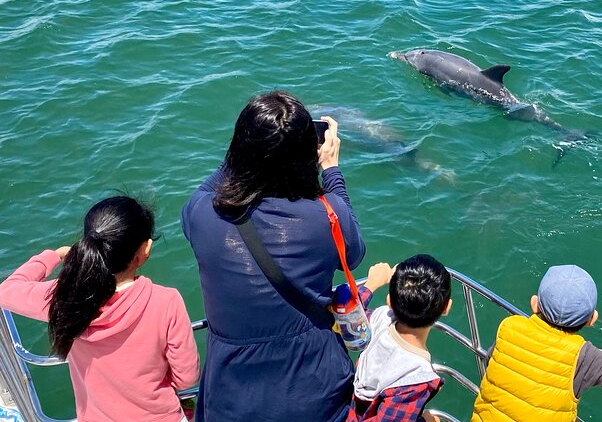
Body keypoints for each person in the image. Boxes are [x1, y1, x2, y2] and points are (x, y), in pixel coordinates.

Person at [181, 90, 366, 421]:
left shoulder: (200, 215)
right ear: (306, 156)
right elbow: (353, 253)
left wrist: (248, 149)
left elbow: (214, 185)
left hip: (230, 396)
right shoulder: (326, 217)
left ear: (238, 148)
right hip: (314, 390)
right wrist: (331, 169)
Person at [0, 196, 199, 422]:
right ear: (145, 250)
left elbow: (6, 291)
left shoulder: (66, 297)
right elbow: (187, 377)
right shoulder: (166, 301)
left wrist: (54, 255)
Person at [471, 264, 602, 422]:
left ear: (535, 304)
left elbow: (490, 360)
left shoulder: (509, 326)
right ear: (591, 320)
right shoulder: (585, 356)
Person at [347, 254, 452, 422]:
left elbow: (348, 318)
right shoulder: (415, 378)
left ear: (389, 301)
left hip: (351, 409)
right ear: (446, 308)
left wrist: (370, 286)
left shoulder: (378, 318)